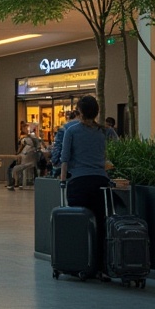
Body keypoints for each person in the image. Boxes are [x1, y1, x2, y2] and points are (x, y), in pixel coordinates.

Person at [61, 95, 113, 253]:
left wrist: (62, 181)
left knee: (79, 222)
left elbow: (65, 159)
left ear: (80, 112)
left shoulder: (71, 130)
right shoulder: (104, 132)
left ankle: (81, 260)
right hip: (101, 181)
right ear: (96, 112)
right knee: (101, 222)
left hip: (79, 182)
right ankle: (101, 265)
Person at [50, 110, 80, 177]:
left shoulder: (65, 127)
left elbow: (58, 146)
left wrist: (55, 161)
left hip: (64, 163)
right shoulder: (86, 127)